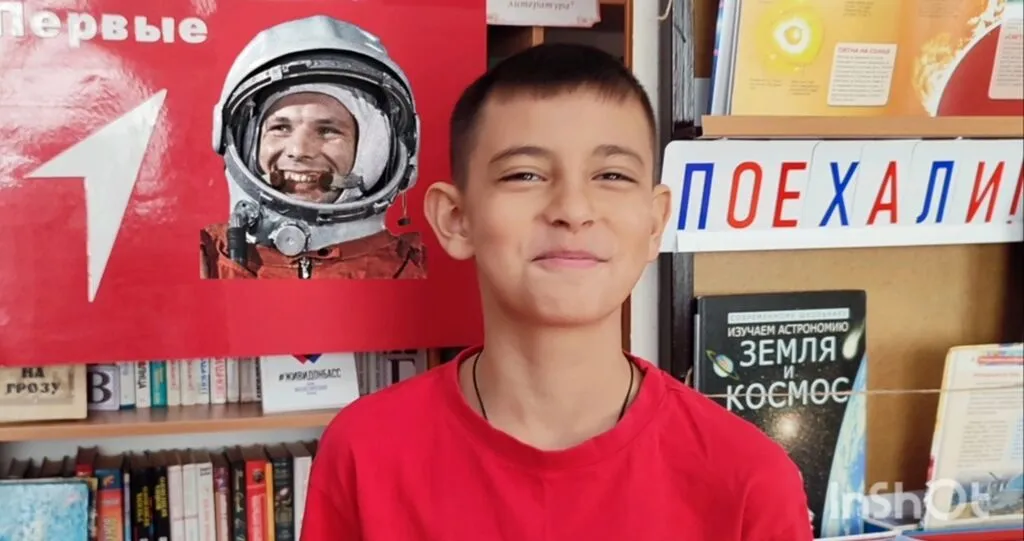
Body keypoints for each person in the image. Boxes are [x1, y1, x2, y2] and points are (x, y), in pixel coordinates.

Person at [300, 43, 814, 540]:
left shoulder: (748, 479)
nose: (573, 209)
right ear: (456, 219)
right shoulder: (365, 452)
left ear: (655, 222)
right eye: (525, 174)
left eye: (612, 175)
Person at [201, 15, 426, 280]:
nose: (299, 150)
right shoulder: (208, 259)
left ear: (376, 150)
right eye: (280, 127)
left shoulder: (418, 270)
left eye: (327, 131)